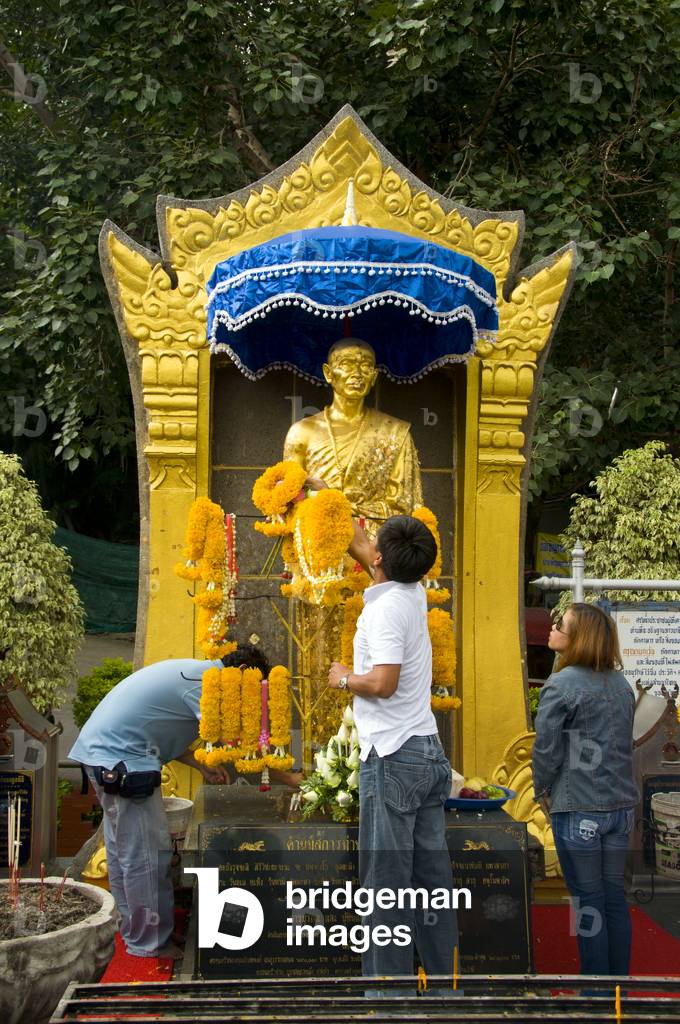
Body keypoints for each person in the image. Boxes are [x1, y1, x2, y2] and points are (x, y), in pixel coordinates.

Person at [69, 642, 298, 958]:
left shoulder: (196, 674)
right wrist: (293, 778)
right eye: (254, 690)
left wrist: (198, 762)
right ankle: (149, 943)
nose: (251, 702)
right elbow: (245, 742)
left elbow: (160, 725)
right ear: (243, 673)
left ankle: (136, 932)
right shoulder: (208, 684)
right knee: (146, 855)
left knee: (124, 851)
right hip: (124, 762)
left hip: (105, 754)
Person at [327, 514, 457, 983]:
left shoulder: (383, 611)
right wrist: (319, 490)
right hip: (426, 750)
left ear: (383, 558)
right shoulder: (411, 591)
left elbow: (382, 682)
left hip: (393, 756)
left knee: (384, 890)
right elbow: (365, 546)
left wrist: (343, 677)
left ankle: (388, 999)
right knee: (432, 886)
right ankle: (446, 990)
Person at [532, 603, 638, 978]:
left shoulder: (560, 685)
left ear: (577, 638)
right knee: (612, 899)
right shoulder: (621, 686)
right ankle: (618, 987)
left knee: (587, 902)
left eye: (559, 624)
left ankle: (595, 991)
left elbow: (546, 750)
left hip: (578, 808)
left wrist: (540, 789)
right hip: (621, 808)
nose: (552, 627)